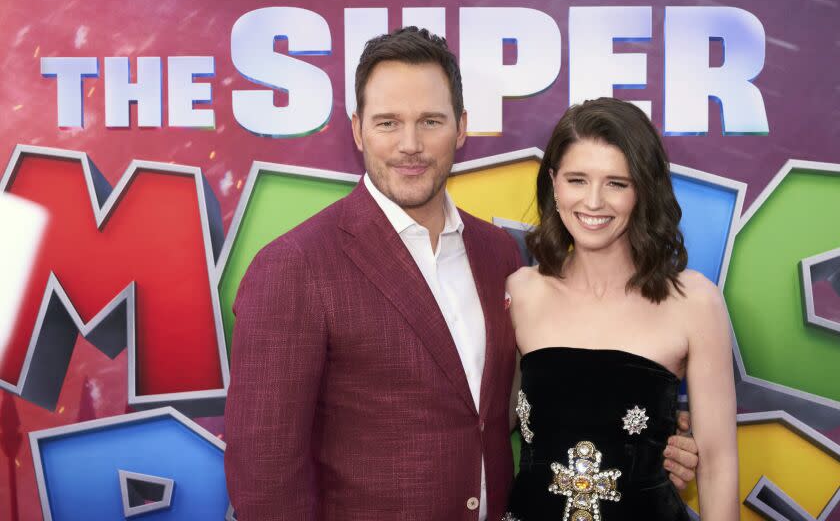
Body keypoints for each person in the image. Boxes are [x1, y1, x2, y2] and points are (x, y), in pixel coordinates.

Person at [224, 28, 699, 520]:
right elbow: (265, 476)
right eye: (388, 122)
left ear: (461, 127)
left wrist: (650, 435)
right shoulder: (294, 266)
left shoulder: (498, 257)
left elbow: (527, 406)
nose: (411, 144)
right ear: (358, 129)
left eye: (431, 120)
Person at [504, 98, 738, 520]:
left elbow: (718, 464)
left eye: (617, 183)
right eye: (577, 179)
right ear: (554, 183)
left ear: (643, 190)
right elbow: (489, 422)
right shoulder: (520, 292)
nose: (594, 202)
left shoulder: (694, 301)